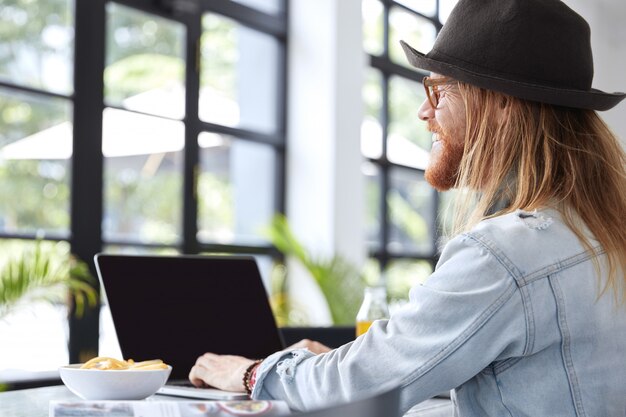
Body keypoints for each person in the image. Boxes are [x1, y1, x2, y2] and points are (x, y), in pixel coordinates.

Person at [188, 0, 626, 415]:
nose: (423, 111)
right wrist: (364, 362)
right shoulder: (599, 234)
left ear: (502, 105)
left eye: (438, 90)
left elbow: (358, 389)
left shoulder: (507, 253)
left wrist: (250, 372)